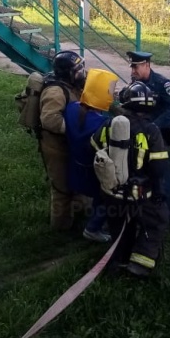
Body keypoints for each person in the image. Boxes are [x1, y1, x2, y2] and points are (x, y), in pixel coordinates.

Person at [91, 81, 170, 278]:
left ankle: (118, 262)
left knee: (118, 229)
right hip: (141, 195)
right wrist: (158, 191)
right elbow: (159, 167)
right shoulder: (151, 130)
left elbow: (94, 147)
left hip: (111, 192)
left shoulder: (110, 124)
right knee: (157, 222)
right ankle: (141, 263)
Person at [64, 68, 119, 243]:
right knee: (108, 195)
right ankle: (93, 228)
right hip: (92, 174)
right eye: (109, 91)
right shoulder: (103, 123)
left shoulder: (71, 109)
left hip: (74, 169)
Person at [126, 50, 170, 219]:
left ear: (146, 65)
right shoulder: (135, 82)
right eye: (132, 67)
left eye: (135, 67)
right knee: (143, 169)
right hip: (143, 132)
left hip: (163, 131)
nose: (133, 71)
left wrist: (155, 125)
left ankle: (167, 212)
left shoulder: (161, 83)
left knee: (164, 173)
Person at [39, 50, 86, 231]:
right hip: (56, 148)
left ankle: (78, 216)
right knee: (62, 189)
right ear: (68, 72)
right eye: (78, 69)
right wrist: (75, 130)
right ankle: (61, 228)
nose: (82, 72)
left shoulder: (71, 85)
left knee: (75, 182)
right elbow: (49, 119)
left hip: (69, 145)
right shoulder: (55, 91)